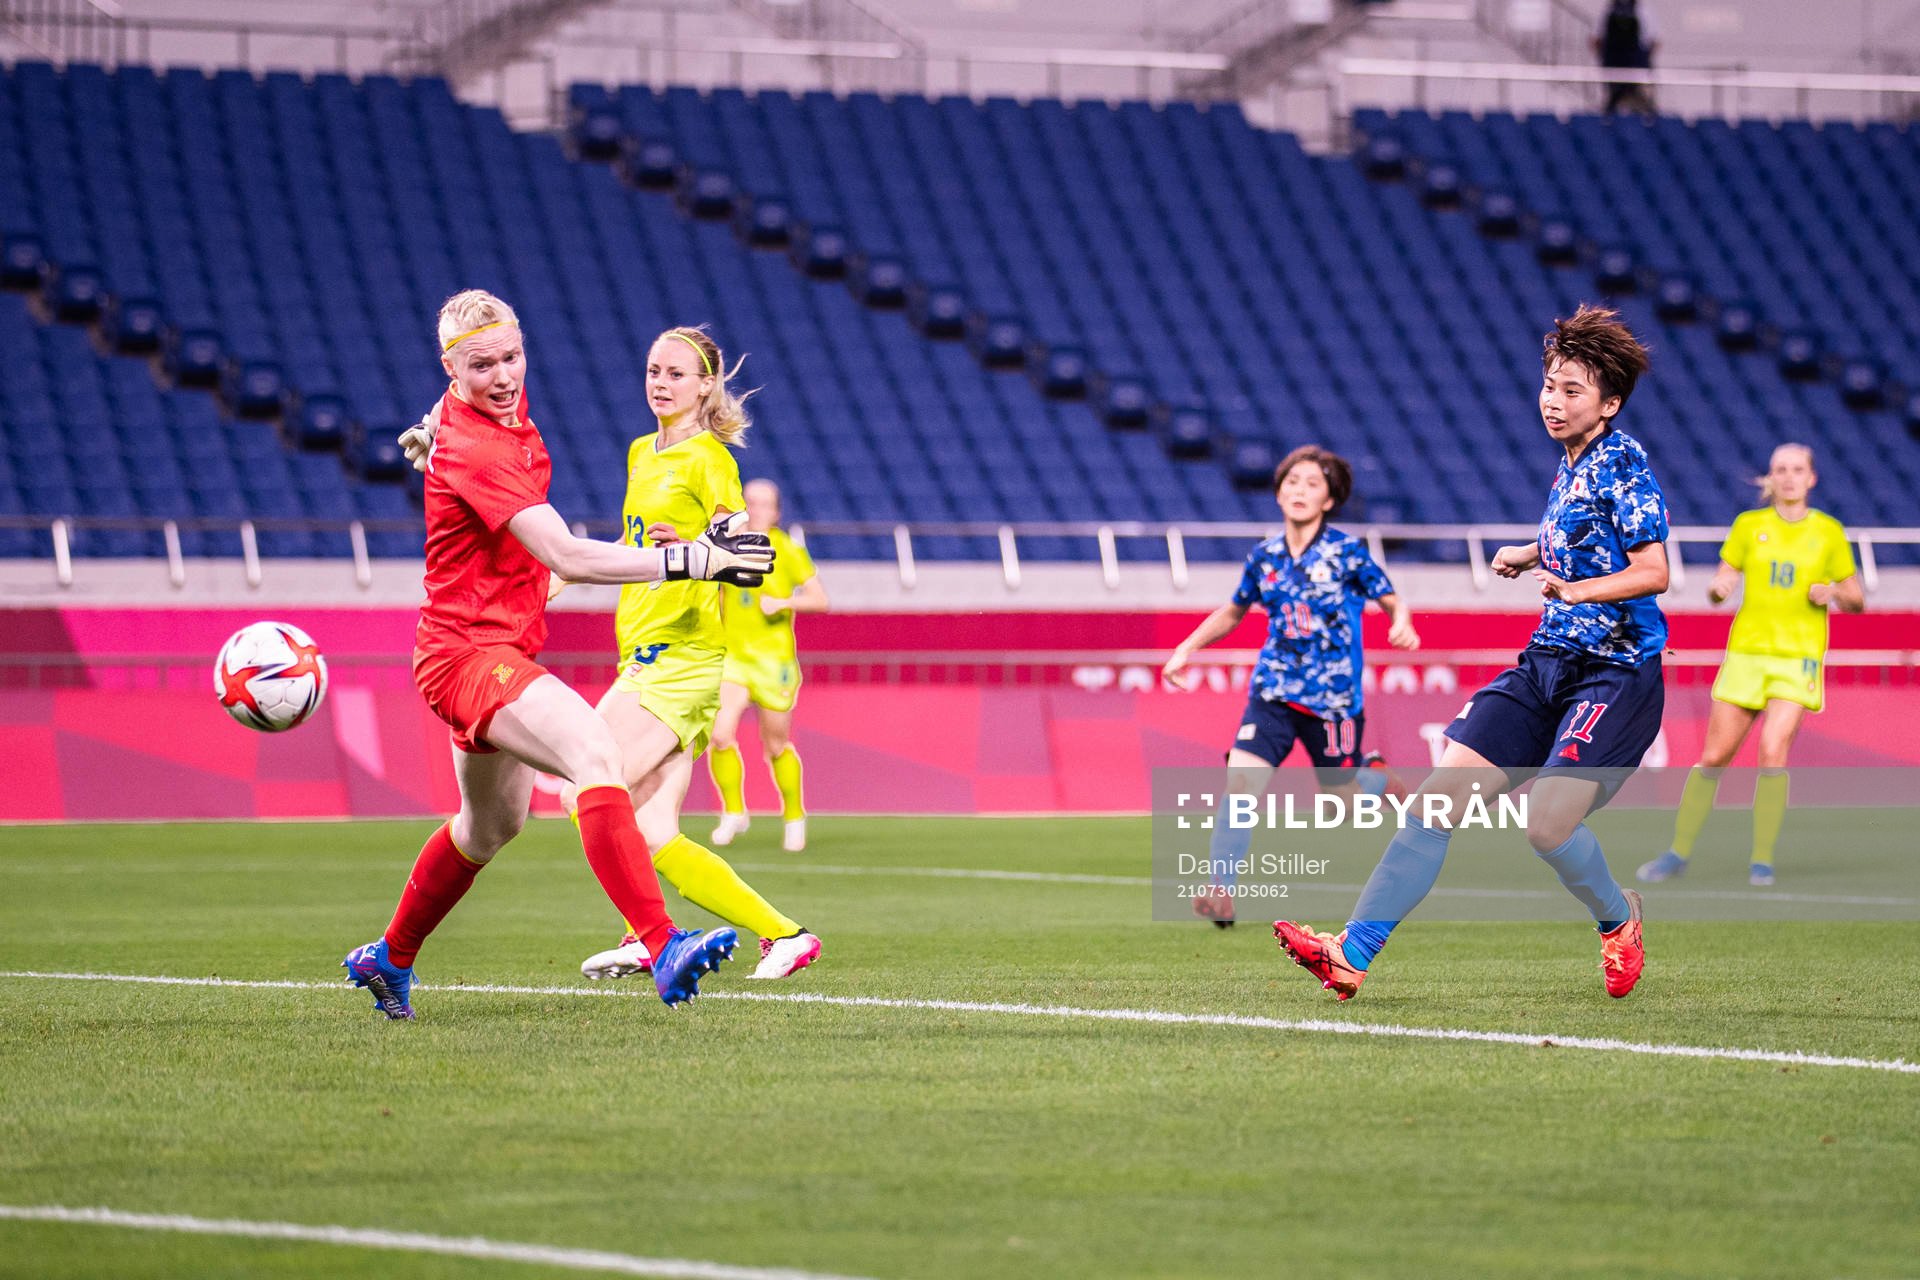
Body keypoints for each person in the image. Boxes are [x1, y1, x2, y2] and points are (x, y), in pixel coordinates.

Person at [344, 291, 772, 1019]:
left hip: (483, 646)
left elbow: (548, 559)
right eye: (482, 365)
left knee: (489, 827)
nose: (505, 375)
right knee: (593, 758)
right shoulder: (476, 444)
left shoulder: (483, 420)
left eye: (512, 356)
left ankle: (388, 956)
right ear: (451, 369)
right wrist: (695, 560)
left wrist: (435, 428)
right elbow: (564, 551)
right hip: (470, 654)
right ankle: (663, 944)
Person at [1274, 304, 1667, 1000]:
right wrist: (1527, 553)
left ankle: (1618, 919)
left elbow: (1653, 571)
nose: (1553, 399)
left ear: (1608, 404)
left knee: (1547, 827)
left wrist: (1578, 593)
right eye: (1550, 383)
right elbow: (1575, 537)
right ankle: (1350, 955)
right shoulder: (1570, 464)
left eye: (1572, 390)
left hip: (1615, 672)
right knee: (1434, 805)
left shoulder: (1624, 463)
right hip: (1545, 663)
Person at [570, 327, 823, 984]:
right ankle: (781, 935)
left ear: (705, 384)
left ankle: (654, 934)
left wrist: (698, 541)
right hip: (642, 652)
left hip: (680, 660)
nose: (660, 382)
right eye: (653, 369)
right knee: (652, 828)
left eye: (676, 374)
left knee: (587, 785)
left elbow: (732, 539)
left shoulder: (711, 457)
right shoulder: (638, 451)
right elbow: (635, 546)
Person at [1162, 445, 1420, 928]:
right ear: (1279, 492)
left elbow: (1390, 598)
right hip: (1273, 693)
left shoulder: (1346, 552)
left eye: (1312, 484)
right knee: (1240, 785)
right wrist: (1185, 649)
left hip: (1334, 703)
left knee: (1340, 807)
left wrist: (1401, 622)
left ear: (1328, 500)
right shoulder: (1265, 557)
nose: (1299, 490)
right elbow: (1235, 610)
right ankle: (1221, 890)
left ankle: (1376, 780)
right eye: (1292, 482)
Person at [1639, 444, 1864, 888]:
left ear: (1811, 478)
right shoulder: (1750, 526)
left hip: (1796, 659)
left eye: (1797, 469)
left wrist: (1834, 593)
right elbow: (1722, 581)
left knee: (1772, 751)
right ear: (1772, 477)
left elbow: (1856, 599)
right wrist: (1720, 587)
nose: (1789, 477)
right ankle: (1678, 851)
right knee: (1714, 757)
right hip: (1747, 655)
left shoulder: (1828, 533)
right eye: (1780, 469)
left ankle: (1761, 859)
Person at [708, 478, 829, 854]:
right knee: (719, 734)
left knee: (775, 743)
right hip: (734, 659)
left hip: (774, 662)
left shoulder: (788, 550)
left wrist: (783, 604)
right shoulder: (727, 548)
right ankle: (733, 811)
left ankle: (793, 816)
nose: (756, 509)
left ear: (776, 512)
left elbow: (819, 600)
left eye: (764, 504)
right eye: (750, 502)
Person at [1595, 0, 1658, 115]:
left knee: (1618, 100)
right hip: (1631, 66)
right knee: (1636, 102)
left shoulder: (1609, 10)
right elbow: (1654, 41)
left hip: (1619, 66)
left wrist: (1604, 59)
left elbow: (1596, 40)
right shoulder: (1643, 10)